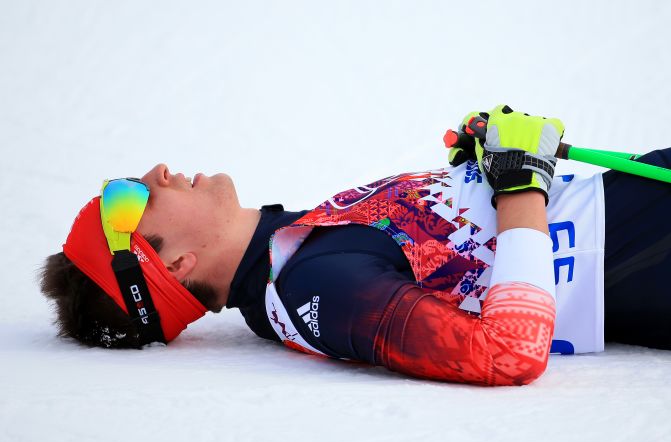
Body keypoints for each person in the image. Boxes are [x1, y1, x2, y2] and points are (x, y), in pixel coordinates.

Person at [39, 105, 671, 386]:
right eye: (128, 200)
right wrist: (518, 182)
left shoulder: (297, 254)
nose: (155, 173)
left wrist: (483, 170)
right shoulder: (315, 287)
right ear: (175, 265)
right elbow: (506, 354)